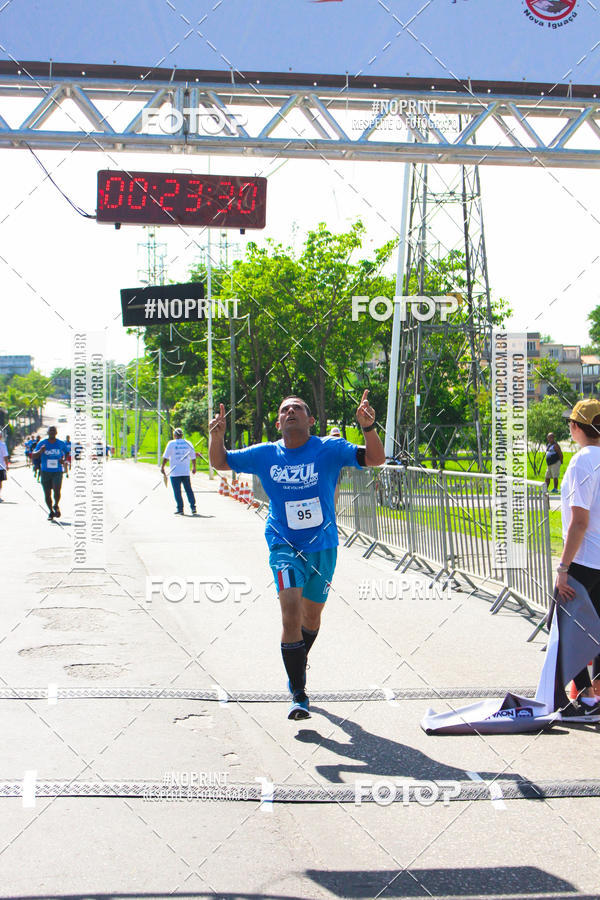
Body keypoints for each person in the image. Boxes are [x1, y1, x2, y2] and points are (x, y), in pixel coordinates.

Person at [209, 390, 386, 720]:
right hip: (283, 544)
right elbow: (220, 462)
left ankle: (297, 658)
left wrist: (369, 428)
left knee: (311, 618)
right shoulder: (265, 454)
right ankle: (298, 692)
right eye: (284, 409)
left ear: (310, 420)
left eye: (297, 408)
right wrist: (217, 437)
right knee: (290, 610)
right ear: (278, 422)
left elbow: (375, 459)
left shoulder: (329, 449)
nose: (290, 411)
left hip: (322, 547)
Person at [555, 399, 600, 721]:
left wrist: (563, 567)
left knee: (573, 629)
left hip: (585, 560)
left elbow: (579, 521)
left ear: (575, 427)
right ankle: (595, 696)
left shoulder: (582, 461)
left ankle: (585, 698)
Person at [32, 426, 67, 520]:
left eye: (53, 431)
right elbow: (34, 455)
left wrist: (63, 460)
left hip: (57, 471)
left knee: (57, 490)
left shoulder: (61, 443)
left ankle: (56, 505)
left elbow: (67, 453)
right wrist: (41, 451)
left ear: (56, 432)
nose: (52, 432)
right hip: (45, 471)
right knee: (47, 494)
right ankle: (51, 511)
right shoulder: (42, 443)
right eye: (50, 431)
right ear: (47, 433)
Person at [161, 427, 197, 515]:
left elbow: (166, 457)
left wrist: (162, 466)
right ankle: (193, 507)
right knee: (188, 489)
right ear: (182, 435)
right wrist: (194, 467)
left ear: (174, 435)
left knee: (177, 491)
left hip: (175, 472)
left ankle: (180, 509)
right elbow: (193, 456)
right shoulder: (188, 443)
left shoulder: (171, 443)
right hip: (185, 471)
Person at [0, 437, 8, 501]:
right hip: (1, 467)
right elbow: (5, 456)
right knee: (0, 482)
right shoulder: (2, 445)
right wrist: (7, 465)